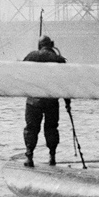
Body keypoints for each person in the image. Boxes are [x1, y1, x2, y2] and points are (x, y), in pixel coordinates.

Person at [22, 36, 68, 167]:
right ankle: (52, 157)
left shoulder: (31, 56)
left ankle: (29, 157)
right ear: (51, 44)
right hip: (51, 101)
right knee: (51, 128)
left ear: (39, 45)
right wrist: (67, 103)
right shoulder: (59, 59)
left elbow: (20, 73)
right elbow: (66, 82)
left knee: (31, 129)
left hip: (33, 101)